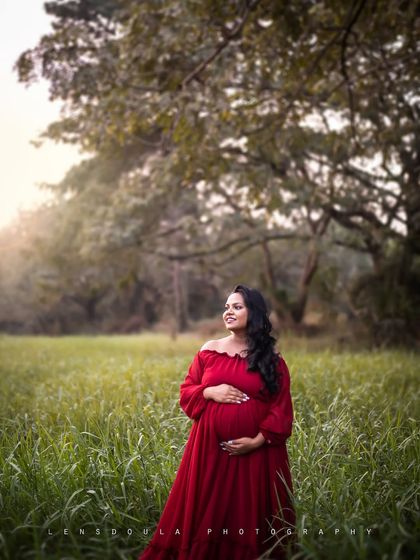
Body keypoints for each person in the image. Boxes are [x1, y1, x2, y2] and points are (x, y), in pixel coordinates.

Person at [138, 284, 296, 560]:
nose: (229, 312)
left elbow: (281, 407)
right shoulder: (209, 350)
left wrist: (256, 441)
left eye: (237, 307)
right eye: (226, 307)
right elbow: (187, 391)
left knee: (247, 513)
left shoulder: (272, 360)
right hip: (210, 451)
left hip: (257, 454)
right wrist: (210, 391)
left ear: (254, 313)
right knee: (208, 512)